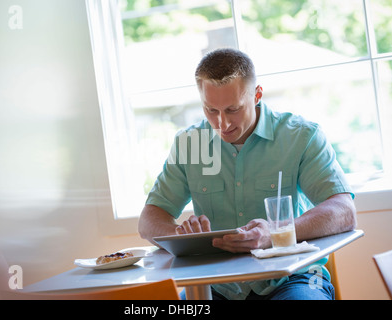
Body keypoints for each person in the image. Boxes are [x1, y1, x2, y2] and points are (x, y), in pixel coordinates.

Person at [138, 48, 357, 300]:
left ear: (257, 95)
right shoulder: (190, 144)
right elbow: (148, 220)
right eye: (211, 110)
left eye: (233, 109)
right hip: (217, 285)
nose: (222, 123)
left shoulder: (302, 137)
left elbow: (344, 211)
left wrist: (276, 232)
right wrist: (182, 239)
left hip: (295, 277)